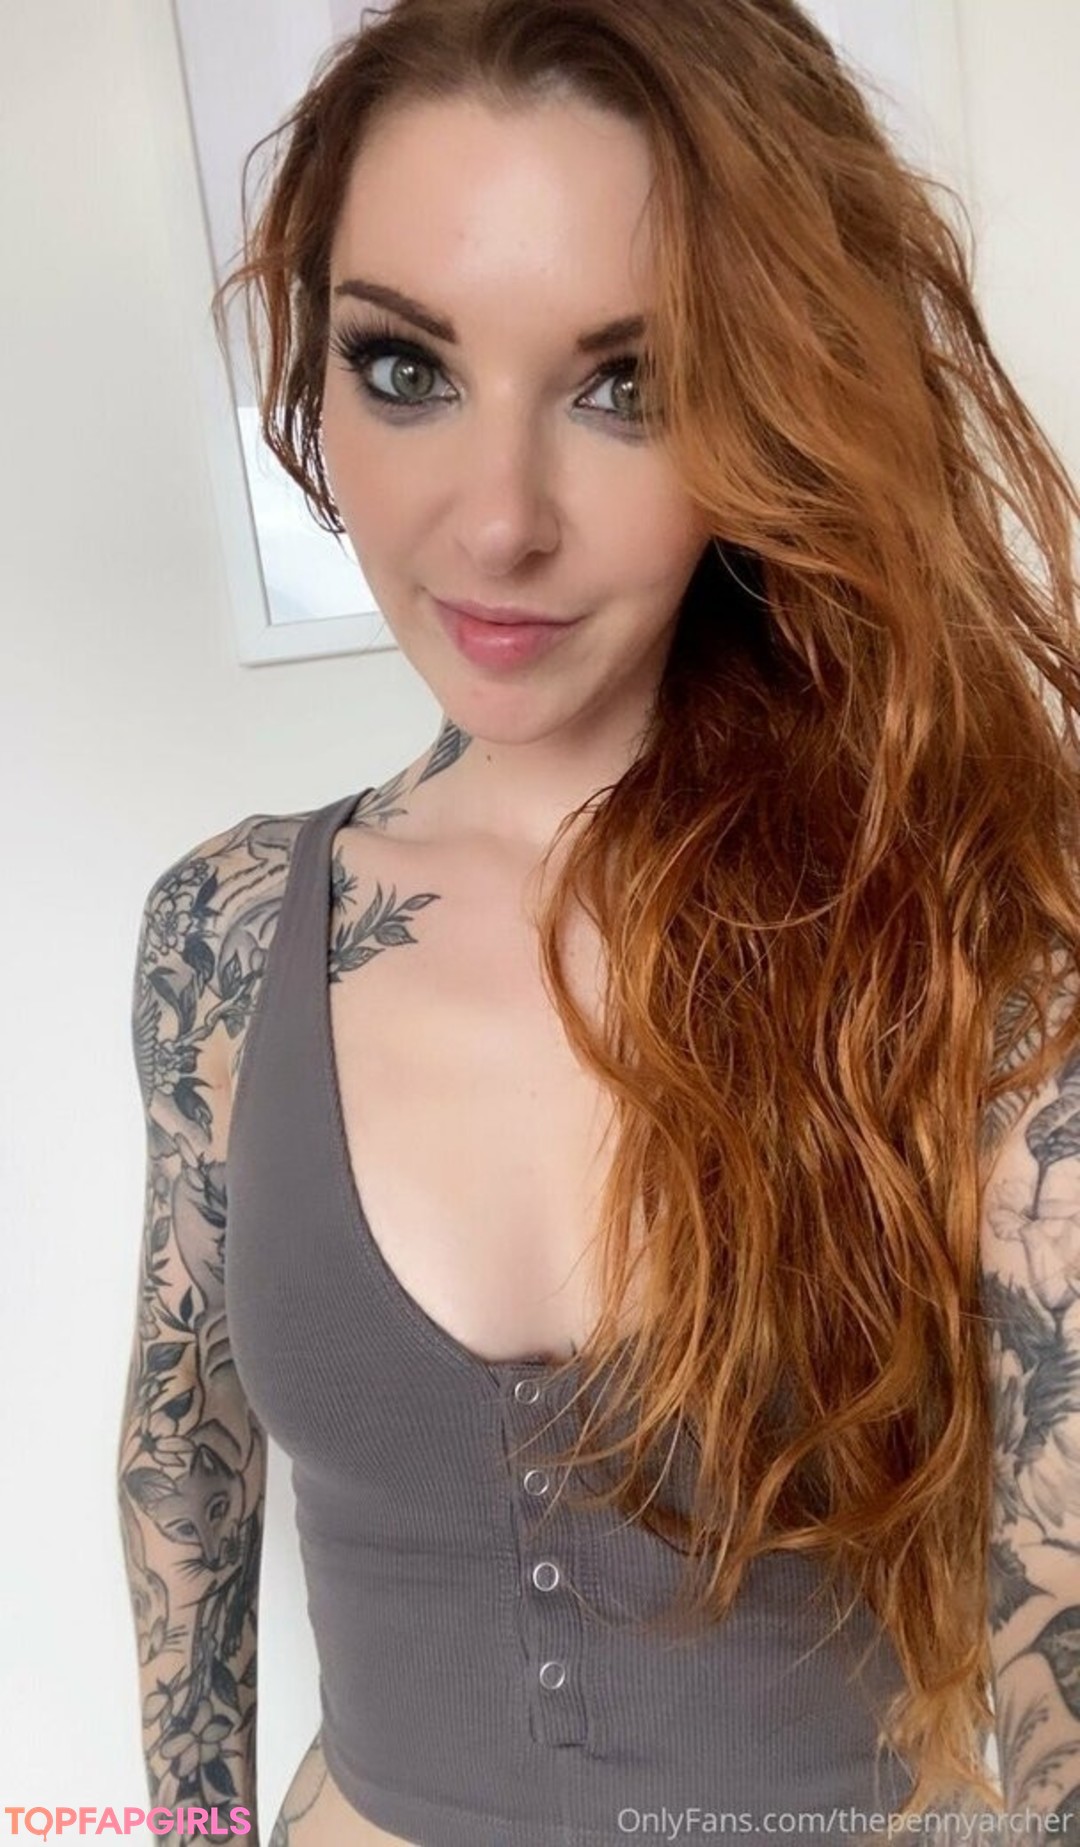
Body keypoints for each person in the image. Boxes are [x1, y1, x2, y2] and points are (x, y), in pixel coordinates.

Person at [117, 1, 1080, 1843]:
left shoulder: (975, 934)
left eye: (629, 386)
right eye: (404, 366)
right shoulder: (227, 935)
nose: (497, 525)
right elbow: (182, 1452)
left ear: (779, 407)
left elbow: (1063, 1612)